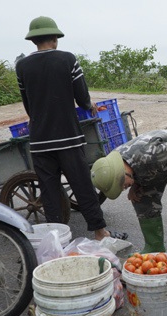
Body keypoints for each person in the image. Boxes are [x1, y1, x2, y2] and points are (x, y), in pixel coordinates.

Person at [16, 16, 126, 241]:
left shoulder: (22, 66)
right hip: (68, 137)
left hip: (39, 141)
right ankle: (100, 232)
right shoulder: (67, 60)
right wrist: (88, 104)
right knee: (82, 185)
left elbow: (28, 103)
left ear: (34, 40)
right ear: (55, 38)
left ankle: (56, 238)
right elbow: (81, 95)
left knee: (49, 191)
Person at [90, 129, 167, 272]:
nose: (123, 189)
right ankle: (154, 246)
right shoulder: (115, 164)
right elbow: (136, 169)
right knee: (140, 198)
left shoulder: (150, 154)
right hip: (155, 167)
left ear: (122, 174)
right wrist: (135, 185)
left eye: (123, 185)